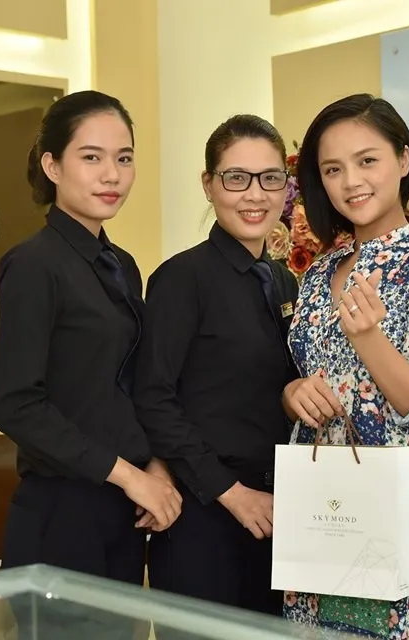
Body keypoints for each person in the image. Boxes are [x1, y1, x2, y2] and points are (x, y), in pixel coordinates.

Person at [282, 93, 409, 638]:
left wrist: (368, 339)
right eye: (332, 169)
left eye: (367, 161)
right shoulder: (320, 272)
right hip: (315, 502)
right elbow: (311, 377)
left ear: (404, 160)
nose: (351, 182)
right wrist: (292, 394)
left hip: (384, 512)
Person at [0, 90, 182, 589]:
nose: (111, 175)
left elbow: (129, 387)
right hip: (61, 515)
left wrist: (156, 467)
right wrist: (130, 475)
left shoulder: (122, 265)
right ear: (52, 166)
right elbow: (16, 406)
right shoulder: (32, 265)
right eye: (92, 158)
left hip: (122, 511)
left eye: (124, 159)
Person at [133, 114, 299, 620]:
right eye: (236, 178)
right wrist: (232, 494)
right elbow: (153, 397)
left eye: (270, 178)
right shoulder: (181, 279)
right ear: (209, 185)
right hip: (204, 514)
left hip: (278, 512)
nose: (255, 194)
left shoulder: (286, 282)